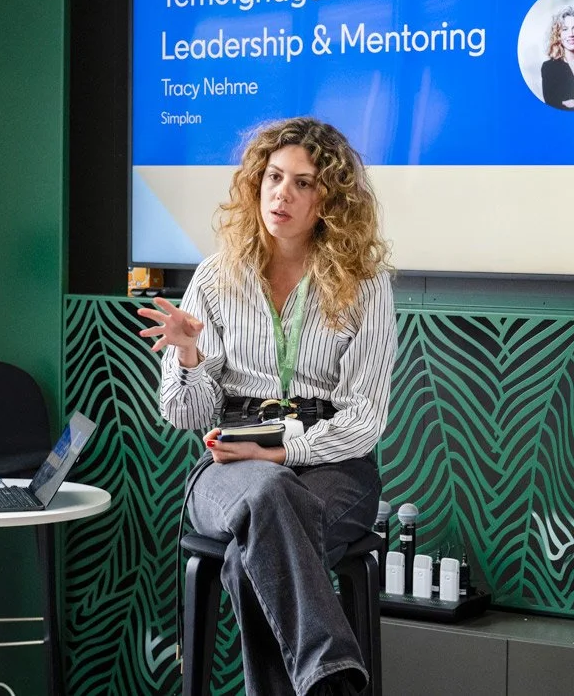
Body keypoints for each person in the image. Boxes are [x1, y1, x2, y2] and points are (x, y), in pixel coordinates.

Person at [137, 117, 396, 696]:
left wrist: (281, 451)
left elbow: (364, 419)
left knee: (249, 556)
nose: (283, 194)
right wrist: (189, 356)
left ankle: (324, 681)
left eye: (304, 183)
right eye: (274, 177)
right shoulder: (215, 278)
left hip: (334, 465)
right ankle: (333, 680)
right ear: (256, 182)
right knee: (268, 493)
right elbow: (184, 413)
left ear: (330, 200)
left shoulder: (364, 283)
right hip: (230, 464)